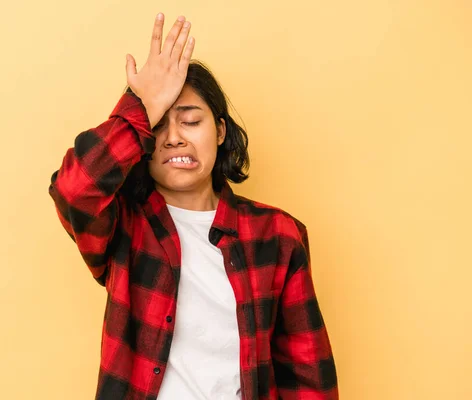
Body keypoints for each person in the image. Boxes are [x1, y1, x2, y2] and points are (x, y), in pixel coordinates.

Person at [48, 12, 338, 400]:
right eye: (158, 125)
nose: (173, 139)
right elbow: (75, 188)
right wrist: (140, 106)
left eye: (190, 121)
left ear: (219, 131)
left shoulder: (278, 235)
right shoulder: (125, 226)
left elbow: (308, 376)